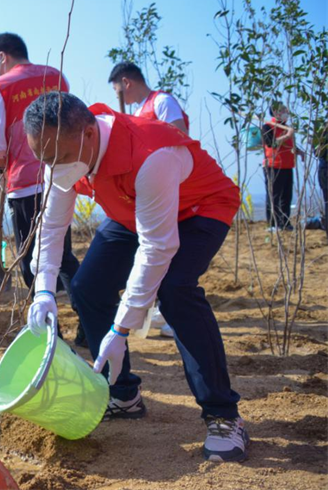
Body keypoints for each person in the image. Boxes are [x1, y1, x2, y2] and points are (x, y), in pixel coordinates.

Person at [25, 91, 248, 462]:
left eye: (60, 158)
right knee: (86, 287)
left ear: (89, 135)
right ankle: (123, 394)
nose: (54, 167)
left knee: (176, 291)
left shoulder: (151, 155)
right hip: (134, 211)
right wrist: (44, 291)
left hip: (198, 208)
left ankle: (223, 416)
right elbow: (51, 227)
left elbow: (157, 248)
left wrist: (122, 329)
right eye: (45, 159)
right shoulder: (63, 155)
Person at [0, 32, 82, 343]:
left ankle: (50, 332)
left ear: (2, 56)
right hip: (62, 174)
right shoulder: (57, 77)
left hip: (24, 183)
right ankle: (89, 320)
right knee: (63, 255)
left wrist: (0, 169)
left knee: (31, 258)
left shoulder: (1, 86)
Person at [109, 61, 191, 336]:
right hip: (149, 190)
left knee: (167, 249)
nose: (118, 95)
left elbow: (178, 137)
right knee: (150, 249)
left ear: (126, 83)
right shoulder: (138, 110)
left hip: (170, 186)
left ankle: (170, 315)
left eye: (117, 89)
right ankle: (159, 309)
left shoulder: (162, 101)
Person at [108, 61, 190, 136]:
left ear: (126, 83)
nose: (116, 96)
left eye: (115, 88)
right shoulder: (136, 115)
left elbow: (181, 140)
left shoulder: (162, 101)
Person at [262, 103, 302, 230]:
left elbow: (290, 145)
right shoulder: (267, 127)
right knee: (274, 195)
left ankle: (285, 223)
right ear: (276, 112)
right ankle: (273, 224)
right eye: (284, 110)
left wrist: (299, 152)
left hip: (288, 165)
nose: (287, 112)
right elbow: (271, 144)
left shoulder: (287, 128)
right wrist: (287, 135)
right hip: (273, 166)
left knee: (286, 196)